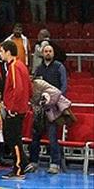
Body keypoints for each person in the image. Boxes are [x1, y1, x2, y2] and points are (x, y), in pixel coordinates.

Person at [29, 45, 67, 174]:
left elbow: (64, 86)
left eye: (50, 51)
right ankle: (33, 162)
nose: (48, 53)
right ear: (42, 53)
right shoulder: (38, 69)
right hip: (40, 108)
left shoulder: (59, 67)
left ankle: (55, 163)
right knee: (35, 136)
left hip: (53, 108)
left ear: (53, 53)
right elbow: (34, 86)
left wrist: (55, 100)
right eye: (46, 51)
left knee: (52, 136)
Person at [0, 40, 34, 180]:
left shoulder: (14, 66)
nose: (0, 54)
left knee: (12, 139)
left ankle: (18, 169)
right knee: (14, 138)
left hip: (15, 110)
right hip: (21, 108)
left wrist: (12, 108)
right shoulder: (22, 65)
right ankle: (24, 163)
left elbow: (17, 88)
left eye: (2, 51)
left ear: (8, 52)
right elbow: (29, 88)